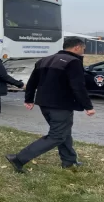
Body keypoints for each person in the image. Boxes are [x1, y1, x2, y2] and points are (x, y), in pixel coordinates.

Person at [5, 37, 96, 173]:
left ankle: (69, 162)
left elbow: (32, 82)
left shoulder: (44, 60)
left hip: (44, 103)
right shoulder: (73, 62)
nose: (83, 52)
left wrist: (29, 99)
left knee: (64, 132)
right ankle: (19, 158)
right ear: (77, 47)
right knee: (57, 135)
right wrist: (88, 106)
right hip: (61, 104)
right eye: (83, 49)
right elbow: (78, 86)